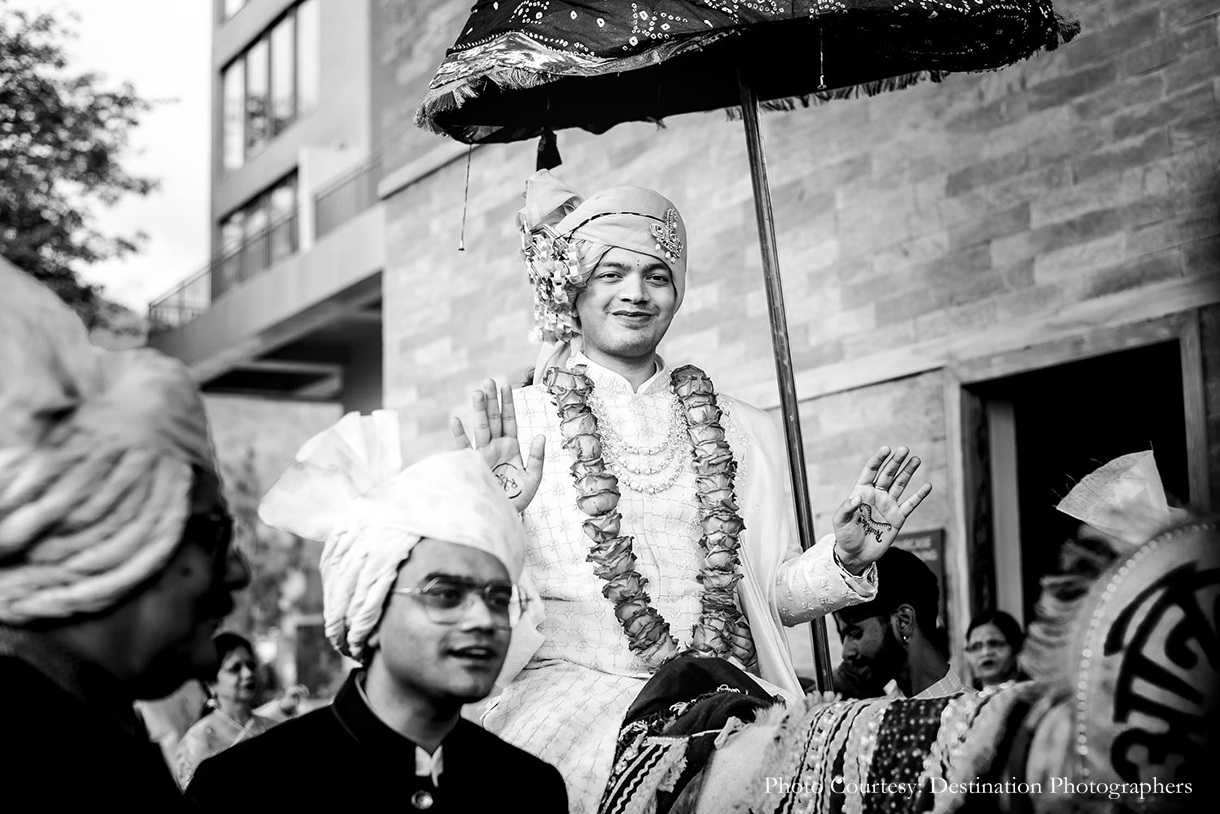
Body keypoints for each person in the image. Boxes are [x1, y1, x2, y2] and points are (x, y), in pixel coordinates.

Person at [450, 170, 933, 811]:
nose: (635, 293)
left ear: (678, 293)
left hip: (724, 689)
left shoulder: (741, 428)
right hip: (570, 699)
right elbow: (462, 601)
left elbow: (766, 595)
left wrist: (842, 560)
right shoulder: (514, 425)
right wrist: (494, 519)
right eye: (612, 273)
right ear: (574, 287)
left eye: (657, 276)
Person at [186, 416, 567, 814]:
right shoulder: (241, 789)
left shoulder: (529, 789)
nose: (483, 620)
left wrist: (493, 512)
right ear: (369, 611)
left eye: (498, 598)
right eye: (445, 595)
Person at [0, 261, 250, 810]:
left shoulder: (91, 728)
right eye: (216, 532)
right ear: (120, 525)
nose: (239, 571)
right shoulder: (45, 756)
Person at [833, 547, 965, 699]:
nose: (846, 653)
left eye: (855, 633)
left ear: (904, 621)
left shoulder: (973, 711)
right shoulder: (877, 709)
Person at [173, 632, 279, 787]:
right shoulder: (198, 741)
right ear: (211, 683)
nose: (248, 673)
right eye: (235, 668)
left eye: (251, 665)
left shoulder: (273, 727)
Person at [963, 609, 1025, 689]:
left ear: (1016, 648)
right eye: (975, 647)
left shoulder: (1035, 694)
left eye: (994, 644)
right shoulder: (965, 696)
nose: (985, 652)